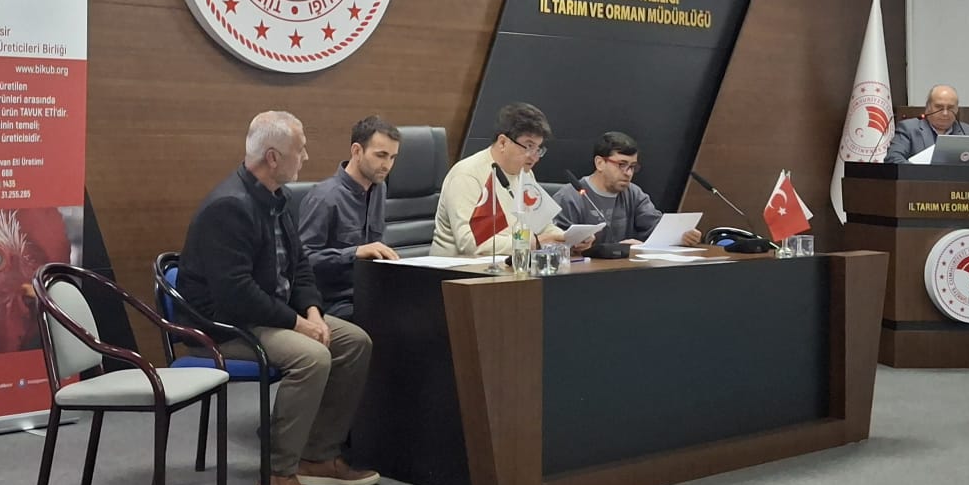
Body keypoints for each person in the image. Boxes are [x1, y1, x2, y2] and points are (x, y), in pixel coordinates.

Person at [177, 111, 378, 485]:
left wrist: (314, 312)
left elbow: (299, 267)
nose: (306, 157)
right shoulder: (228, 207)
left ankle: (317, 455)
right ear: (273, 157)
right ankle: (277, 473)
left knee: (355, 342)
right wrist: (298, 324)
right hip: (223, 327)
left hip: (269, 313)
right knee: (312, 357)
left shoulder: (277, 199)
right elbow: (236, 295)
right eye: (299, 150)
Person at [296, 116, 402, 319]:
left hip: (369, 291)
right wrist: (354, 253)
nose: (387, 165)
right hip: (332, 301)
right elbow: (303, 261)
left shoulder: (379, 189)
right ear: (357, 151)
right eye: (381, 155)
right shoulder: (325, 197)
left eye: (392, 157)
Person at [434, 101, 566, 257]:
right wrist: (532, 243)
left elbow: (544, 226)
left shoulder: (525, 174)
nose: (535, 157)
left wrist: (567, 239)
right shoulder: (467, 175)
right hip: (460, 268)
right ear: (503, 142)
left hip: (510, 264)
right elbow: (471, 242)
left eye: (538, 149)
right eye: (529, 146)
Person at [555, 131, 702, 247]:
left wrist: (681, 235)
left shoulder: (633, 193)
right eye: (622, 165)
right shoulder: (570, 196)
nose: (628, 173)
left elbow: (655, 227)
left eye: (632, 167)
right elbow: (555, 243)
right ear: (600, 163)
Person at [885, 85, 969, 162]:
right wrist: (922, 172)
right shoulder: (908, 128)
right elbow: (893, 158)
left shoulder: (966, 131)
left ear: (957, 109)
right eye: (939, 107)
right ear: (928, 107)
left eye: (950, 108)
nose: (945, 113)